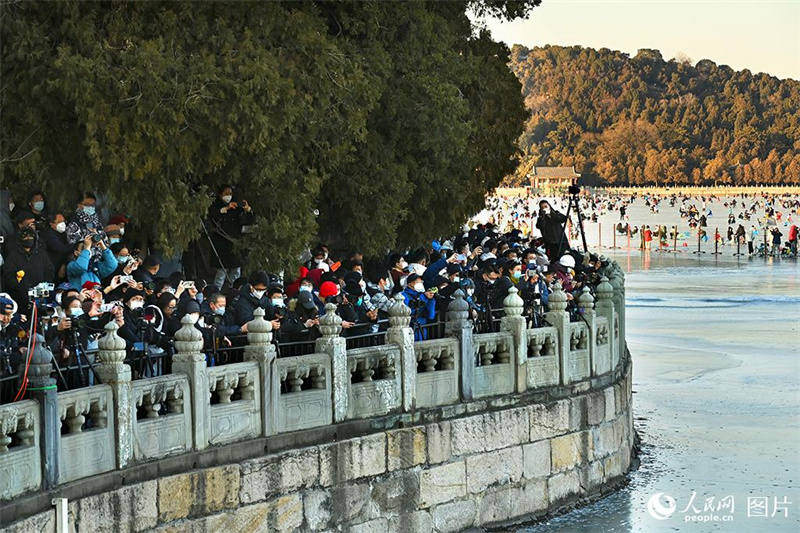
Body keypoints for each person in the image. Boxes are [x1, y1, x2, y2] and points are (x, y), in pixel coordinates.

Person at [207, 185, 254, 289]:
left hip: (235, 243)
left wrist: (247, 209)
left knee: (236, 270)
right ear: (220, 195)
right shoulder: (216, 206)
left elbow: (247, 220)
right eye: (226, 194)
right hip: (221, 242)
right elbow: (214, 214)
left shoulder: (236, 207)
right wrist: (227, 208)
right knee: (221, 272)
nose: (229, 196)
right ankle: (216, 292)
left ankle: (234, 291)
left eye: (230, 194)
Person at [1, 225, 54, 310]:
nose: (28, 239)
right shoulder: (13, 256)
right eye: (25, 237)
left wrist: (44, 284)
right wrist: (20, 287)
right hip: (19, 297)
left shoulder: (41, 254)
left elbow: (50, 270)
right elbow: (8, 275)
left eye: (30, 236)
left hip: (39, 295)